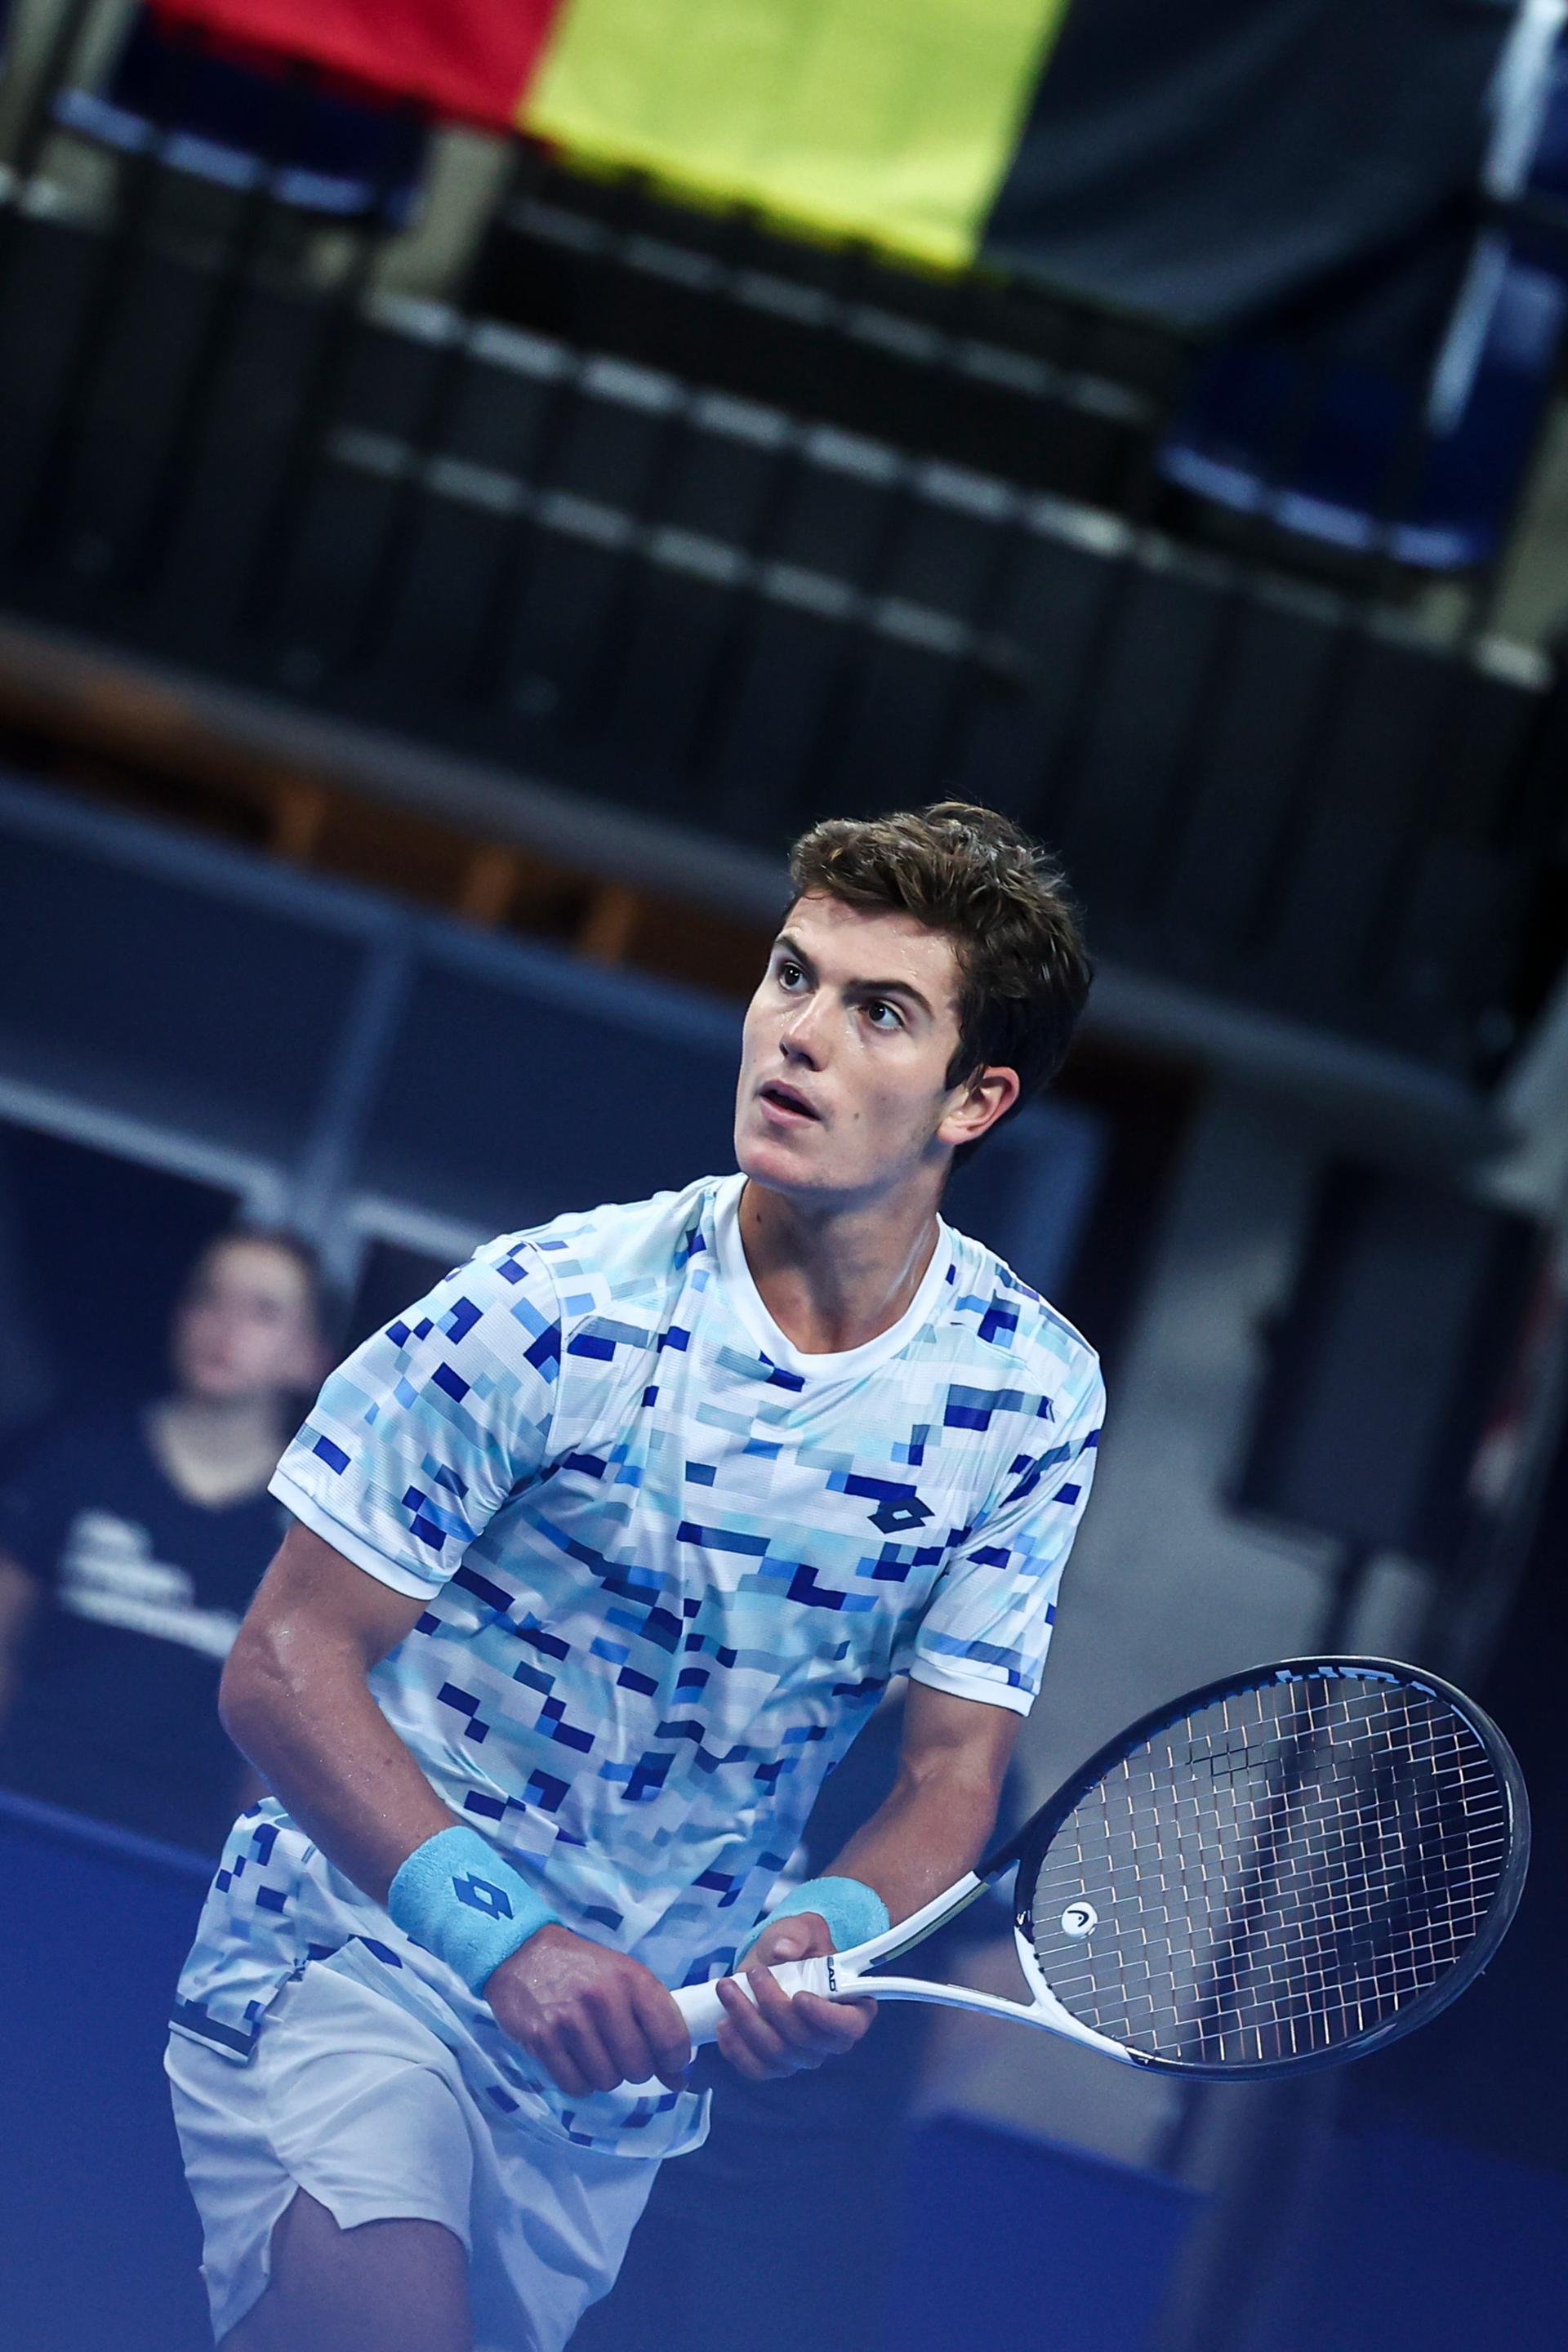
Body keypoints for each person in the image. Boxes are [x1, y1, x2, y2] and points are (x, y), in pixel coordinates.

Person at [165, 801, 1107, 2352]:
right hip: (362, 1965)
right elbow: (281, 1666)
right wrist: (507, 1943)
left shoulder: (1027, 1394)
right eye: (791, 977)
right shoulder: (549, 1309)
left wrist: (827, 1923)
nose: (798, 1035)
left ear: (976, 1098)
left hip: (618, 2082)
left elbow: (951, 1773)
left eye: (877, 1011)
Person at [0, 1226, 328, 1852]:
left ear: (308, 1356)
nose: (224, 1327)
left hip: (177, 1856)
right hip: (25, 1810)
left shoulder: (311, 1529)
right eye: (209, 1299)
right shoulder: (80, 1459)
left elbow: (290, 1729)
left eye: (263, 1312)